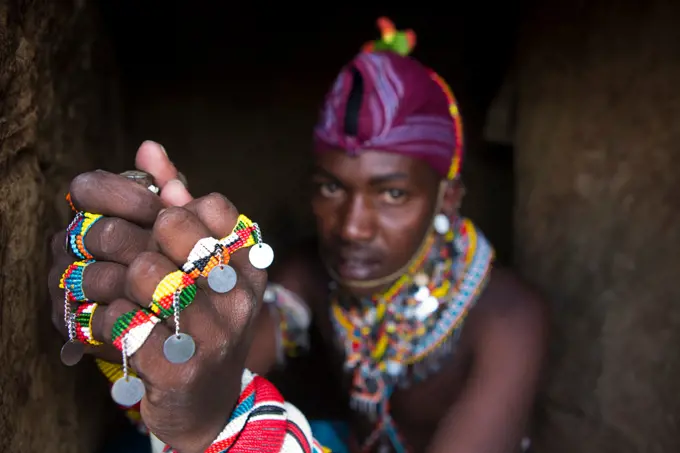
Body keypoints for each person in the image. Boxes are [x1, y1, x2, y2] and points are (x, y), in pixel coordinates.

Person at [47, 18, 547, 453]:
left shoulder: (506, 319)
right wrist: (178, 301)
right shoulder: (311, 275)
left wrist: (221, 430)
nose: (351, 226)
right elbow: (218, 363)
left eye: (392, 194)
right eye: (332, 187)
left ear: (448, 199)